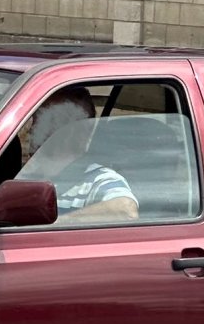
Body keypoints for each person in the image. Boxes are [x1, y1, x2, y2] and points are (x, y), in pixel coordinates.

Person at [16, 87, 138, 223]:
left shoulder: (98, 178)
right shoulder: (26, 177)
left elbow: (125, 211)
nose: (32, 129)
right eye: (36, 119)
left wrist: (55, 225)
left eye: (46, 120)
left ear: (75, 131)